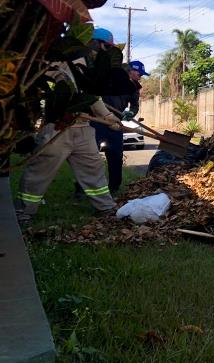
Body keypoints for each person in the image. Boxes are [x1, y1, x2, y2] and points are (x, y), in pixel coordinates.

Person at [16, 63, 122, 223]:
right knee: (40, 171)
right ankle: (24, 211)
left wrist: (108, 116)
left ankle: (105, 207)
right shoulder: (54, 65)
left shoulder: (86, 68)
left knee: (93, 169)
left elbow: (90, 97)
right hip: (57, 129)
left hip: (84, 129)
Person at [85, 29, 141, 195]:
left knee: (116, 156)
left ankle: (114, 188)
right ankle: (82, 189)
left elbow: (135, 105)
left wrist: (131, 113)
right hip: (97, 121)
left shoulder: (134, 88)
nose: (140, 76)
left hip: (116, 124)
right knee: (89, 157)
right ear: (131, 70)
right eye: (139, 73)